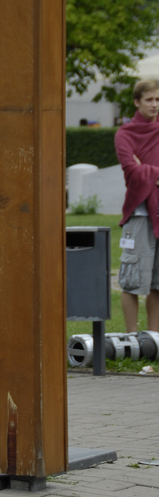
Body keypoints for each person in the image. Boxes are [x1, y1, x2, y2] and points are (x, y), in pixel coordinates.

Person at [115, 78, 159, 332]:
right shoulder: (125, 133)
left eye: (158, 100)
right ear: (137, 102)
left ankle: (152, 341)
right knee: (131, 281)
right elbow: (131, 171)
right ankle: (131, 340)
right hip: (139, 215)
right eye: (150, 100)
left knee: (157, 284)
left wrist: (146, 169)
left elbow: (140, 169)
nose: (155, 105)